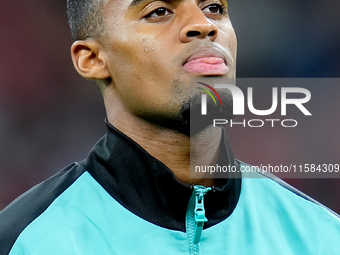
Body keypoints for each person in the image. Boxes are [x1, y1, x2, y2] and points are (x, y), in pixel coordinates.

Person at [1, 0, 340, 254]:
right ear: (92, 59)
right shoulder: (29, 241)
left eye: (214, 7)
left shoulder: (321, 237)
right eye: (159, 11)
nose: (203, 25)